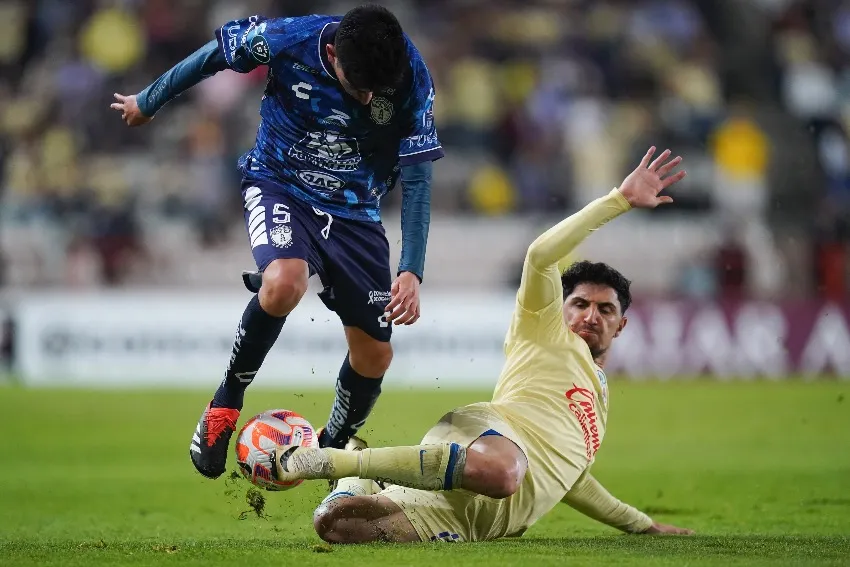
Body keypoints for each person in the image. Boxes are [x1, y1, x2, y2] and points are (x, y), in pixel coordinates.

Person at [264, 147, 695, 543]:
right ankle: (335, 462)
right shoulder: (542, 330)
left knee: (338, 524)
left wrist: (644, 525)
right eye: (580, 303)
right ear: (561, 309)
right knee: (503, 471)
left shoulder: (597, 400)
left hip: (474, 522)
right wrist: (618, 199)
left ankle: (351, 461)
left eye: (605, 310)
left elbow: (571, 480)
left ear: (620, 326)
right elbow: (540, 255)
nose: (590, 315)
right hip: (487, 440)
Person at [110, 5, 443, 479]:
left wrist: (411, 269)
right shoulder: (287, 38)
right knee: (284, 283)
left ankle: (329, 452)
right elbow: (213, 56)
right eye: (358, 86)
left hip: (356, 210)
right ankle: (223, 407)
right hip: (281, 183)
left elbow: (417, 179)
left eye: (376, 90)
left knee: (375, 354)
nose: (368, 98)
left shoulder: (411, 75)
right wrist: (150, 99)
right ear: (330, 52)